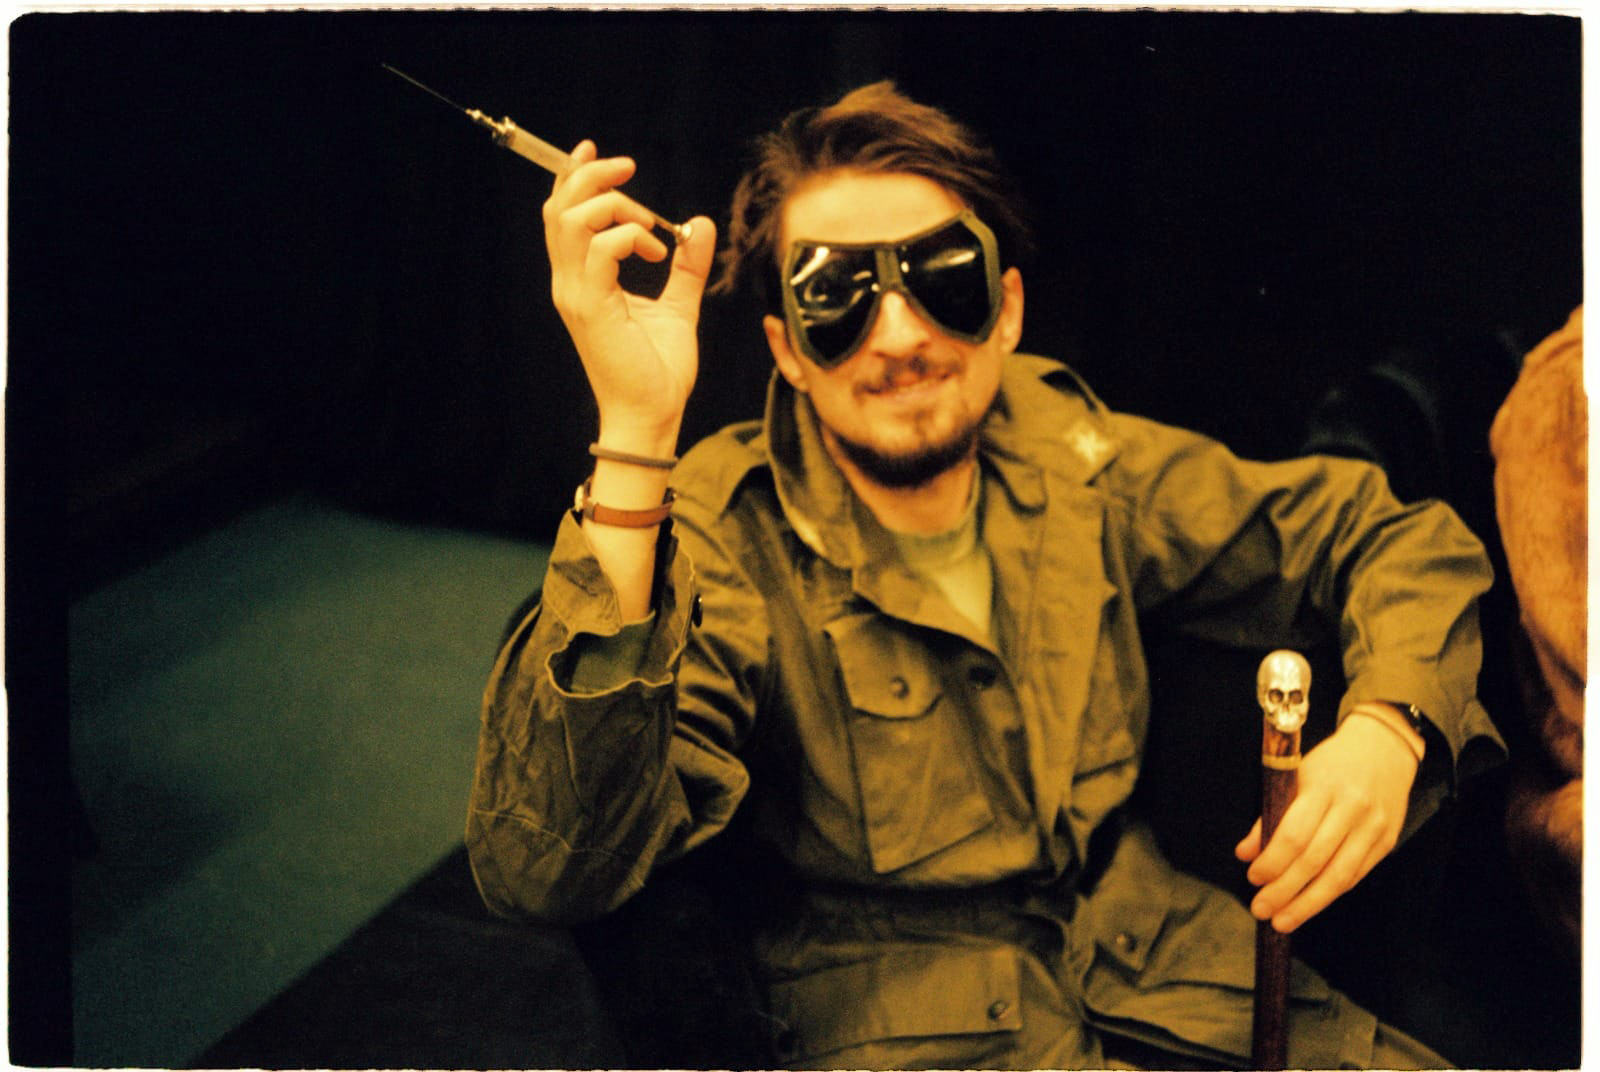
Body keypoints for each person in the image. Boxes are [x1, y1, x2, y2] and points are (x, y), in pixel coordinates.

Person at [467, 82, 1504, 1069]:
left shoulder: (1073, 452)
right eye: (836, 296)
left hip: (1173, 977)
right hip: (906, 1019)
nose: (900, 335)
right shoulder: (727, 535)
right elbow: (546, 867)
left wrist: (1391, 726)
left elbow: (1382, 532)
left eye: (941, 279)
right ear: (786, 350)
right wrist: (636, 431)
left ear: (1005, 310)